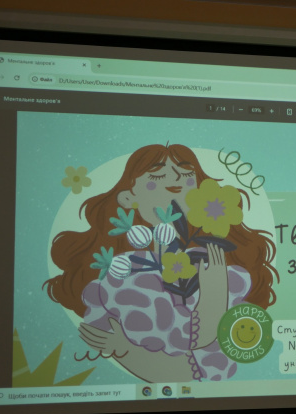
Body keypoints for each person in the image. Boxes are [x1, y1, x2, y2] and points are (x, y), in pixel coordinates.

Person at [44, 143, 278, 382]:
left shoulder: (214, 263)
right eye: (155, 177)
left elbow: (212, 362)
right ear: (128, 198)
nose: (175, 182)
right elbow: (191, 349)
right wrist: (214, 296)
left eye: (187, 176)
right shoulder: (124, 275)